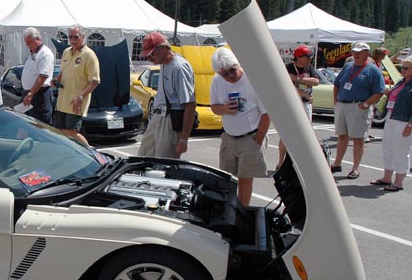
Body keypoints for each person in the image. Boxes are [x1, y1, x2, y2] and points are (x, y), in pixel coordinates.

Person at [210, 47, 270, 207]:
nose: (230, 76)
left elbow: (266, 113)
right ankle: (228, 211)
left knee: (245, 181)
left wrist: (258, 140)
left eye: (232, 70)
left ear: (237, 64)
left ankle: (241, 213)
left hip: (250, 137)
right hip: (229, 138)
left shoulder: (253, 80)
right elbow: (214, 107)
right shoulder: (217, 81)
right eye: (224, 74)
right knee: (226, 179)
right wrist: (224, 109)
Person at [329, 42, 385, 180]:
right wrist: (336, 101)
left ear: (367, 53)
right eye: (354, 52)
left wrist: (366, 104)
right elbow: (337, 84)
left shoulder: (373, 70)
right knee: (342, 136)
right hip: (343, 104)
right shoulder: (348, 66)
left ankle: (355, 168)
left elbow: (379, 91)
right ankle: (337, 163)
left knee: (358, 139)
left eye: (359, 52)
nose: (356, 54)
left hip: (358, 106)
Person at [137, 32, 196, 159]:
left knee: (164, 163)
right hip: (158, 116)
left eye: (151, 54)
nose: (149, 58)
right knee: (143, 157)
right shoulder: (164, 63)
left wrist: (183, 139)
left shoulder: (179, 67)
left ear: (163, 48)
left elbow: (190, 105)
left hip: (170, 119)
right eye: (147, 55)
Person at [52, 25, 100, 146]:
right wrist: (56, 79)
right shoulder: (66, 52)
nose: (73, 40)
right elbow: (63, 72)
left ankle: (91, 153)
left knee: (71, 132)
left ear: (83, 37)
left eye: (76, 37)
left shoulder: (89, 55)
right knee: (59, 131)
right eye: (70, 37)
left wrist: (81, 97)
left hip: (76, 102)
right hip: (62, 101)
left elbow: (94, 81)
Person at [370, 56, 412, 192]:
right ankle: (387, 177)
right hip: (391, 116)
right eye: (402, 68)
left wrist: (410, 125)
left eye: (406, 68)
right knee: (387, 147)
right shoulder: (401, 82)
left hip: (403, 120)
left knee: (401, 150)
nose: (403, 70)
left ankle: (398, 182)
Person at [277, 45, 319, 169]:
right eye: (307, 57)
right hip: (290, 104)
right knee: (286, 133)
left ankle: (301, 162)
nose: (310, 59)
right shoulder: (288, 68)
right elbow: (288, 87)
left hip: (305, 104)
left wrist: (298, 79)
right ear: (299, 57)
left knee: (305, 133)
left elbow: (316, 82)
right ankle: (281, 162)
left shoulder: (309, 68)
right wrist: (304, 93)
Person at [20, 27, 54, 123]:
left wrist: (31, 94)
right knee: (25, 123)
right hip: (29, 93)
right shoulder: (34, 53)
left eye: (29, 42)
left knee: (39, 124)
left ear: (38, 39)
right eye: (26, 42)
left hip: (39, 94)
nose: (27, 45)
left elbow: (43, 76)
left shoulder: (45, 54)